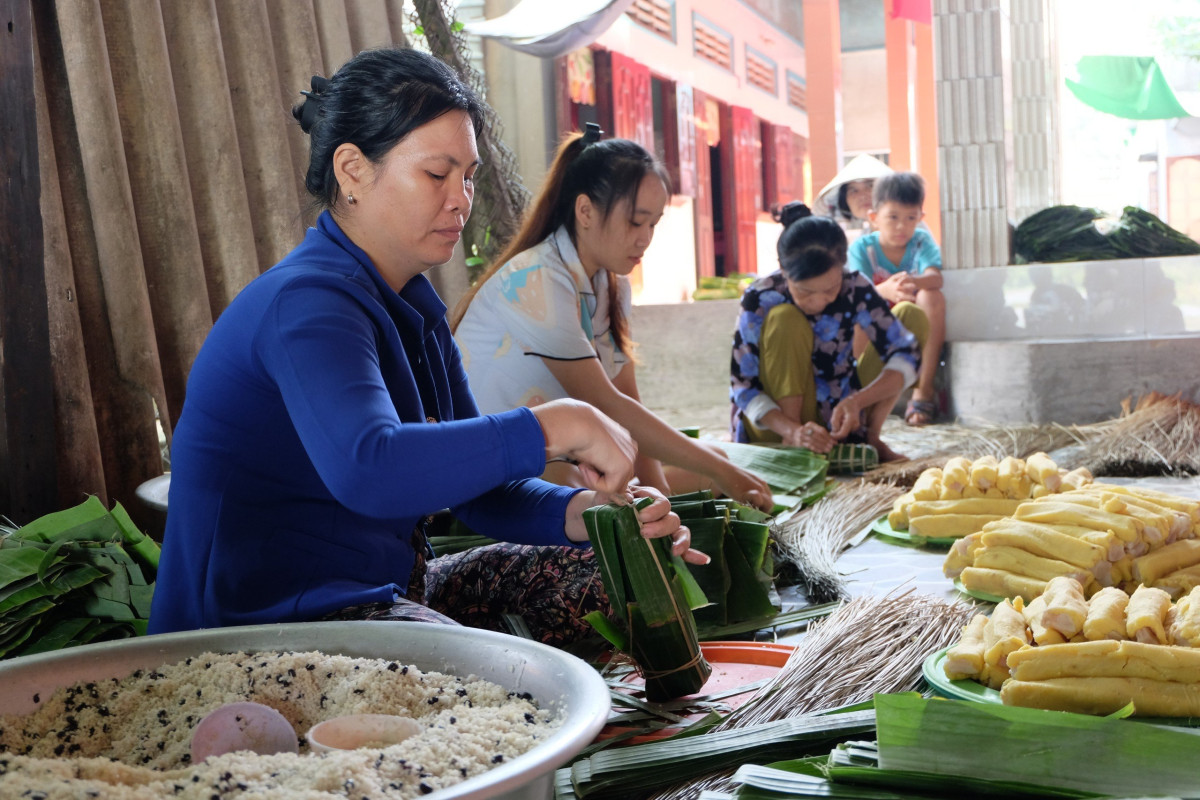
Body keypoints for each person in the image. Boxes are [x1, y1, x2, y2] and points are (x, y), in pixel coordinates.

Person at [148, 48, 703, 646]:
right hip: (262, 630)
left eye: (468, 177)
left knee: (619, 575)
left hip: (382, 594)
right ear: (353, 169)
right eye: (437, 175)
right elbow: (372, 469)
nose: (460, 199)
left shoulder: (411, 306)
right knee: (487, 685)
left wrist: (592, 511)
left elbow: (481, 494)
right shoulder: (307, 304)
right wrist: (552, 426)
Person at [451, 126, 774, 512]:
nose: (645, 238)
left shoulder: (613, 284)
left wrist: (665, 498)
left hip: (568, 458)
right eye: (635, 222)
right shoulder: (535, 279)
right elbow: (606, 403)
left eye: (653, 224)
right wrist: (724, 474)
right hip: (496, 470)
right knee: (601, 493)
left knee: (707, 462)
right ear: (585, 211)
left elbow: (627, 403)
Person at [729, 202, 920, 462]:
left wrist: (857, 401)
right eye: (805, 292)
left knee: (912, 317)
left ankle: (870, 439)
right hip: (775, 426)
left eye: (831, 289)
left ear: (842, 267)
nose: (819, 302)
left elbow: (904, 351)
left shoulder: (854, 286)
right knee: (786, 318)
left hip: (836, 416)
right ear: (784, 272)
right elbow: (742, 386)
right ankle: (795, 449)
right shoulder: (760, 297)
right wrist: (793, 431)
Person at [846, 172, 944, 427]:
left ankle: (923, 390)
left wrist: (911, 283)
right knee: (856, 310)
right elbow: (858, 291)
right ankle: (853, 393)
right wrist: (886, 290)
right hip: (876, 322)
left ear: (921, 219)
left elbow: (935, 277)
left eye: (911, 218)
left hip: (913, 320)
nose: (902, 226)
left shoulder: (921, 242)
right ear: (874, 218)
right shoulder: (862, 248)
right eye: (893, 217)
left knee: (932, 297)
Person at [812, 154, 894, 245]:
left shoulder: (903, 233)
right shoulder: (863, 239)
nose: (862, 196)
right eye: (853, 190)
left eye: (870, 186)